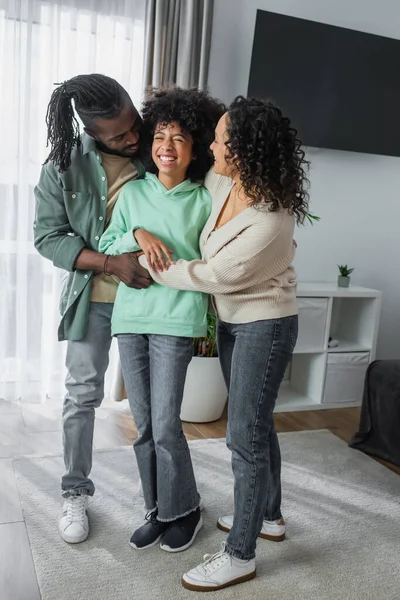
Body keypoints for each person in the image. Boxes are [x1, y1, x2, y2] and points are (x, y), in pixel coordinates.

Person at [135, 96, 309, 590]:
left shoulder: (272, 219)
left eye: (220, 138)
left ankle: (241, 554)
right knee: (257, 426)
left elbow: (215, 275)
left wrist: (148, 264)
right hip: (235, 323)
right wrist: (141, 227)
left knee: (244, 437)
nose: (210, 143)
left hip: (266, 326)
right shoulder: (223, 180)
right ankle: (269, 517)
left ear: (246, 150)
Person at [99, 87, 225, 553]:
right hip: (131, 319)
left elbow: (216, 256)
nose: (165, 145)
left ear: (195, 150)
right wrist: (136, 230)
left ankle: (183, 510)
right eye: (160, 135)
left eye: (178, 138)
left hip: (176, 320)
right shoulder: (133, 192)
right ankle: (156, 506)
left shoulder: (204, 199)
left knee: (167, 425)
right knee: (144, 425)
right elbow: (108, 242)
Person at [33, 74, 152, 545]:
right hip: (94, 300)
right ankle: (75, 492)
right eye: (118, 136)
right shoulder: (62, 166)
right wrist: (108, 263)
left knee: (150, 407)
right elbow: (47, 237)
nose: (132, 138)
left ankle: (161, 497)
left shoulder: (151, 150)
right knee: (82, 396)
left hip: (150, 301)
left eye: (133, 125)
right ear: (91, 132)